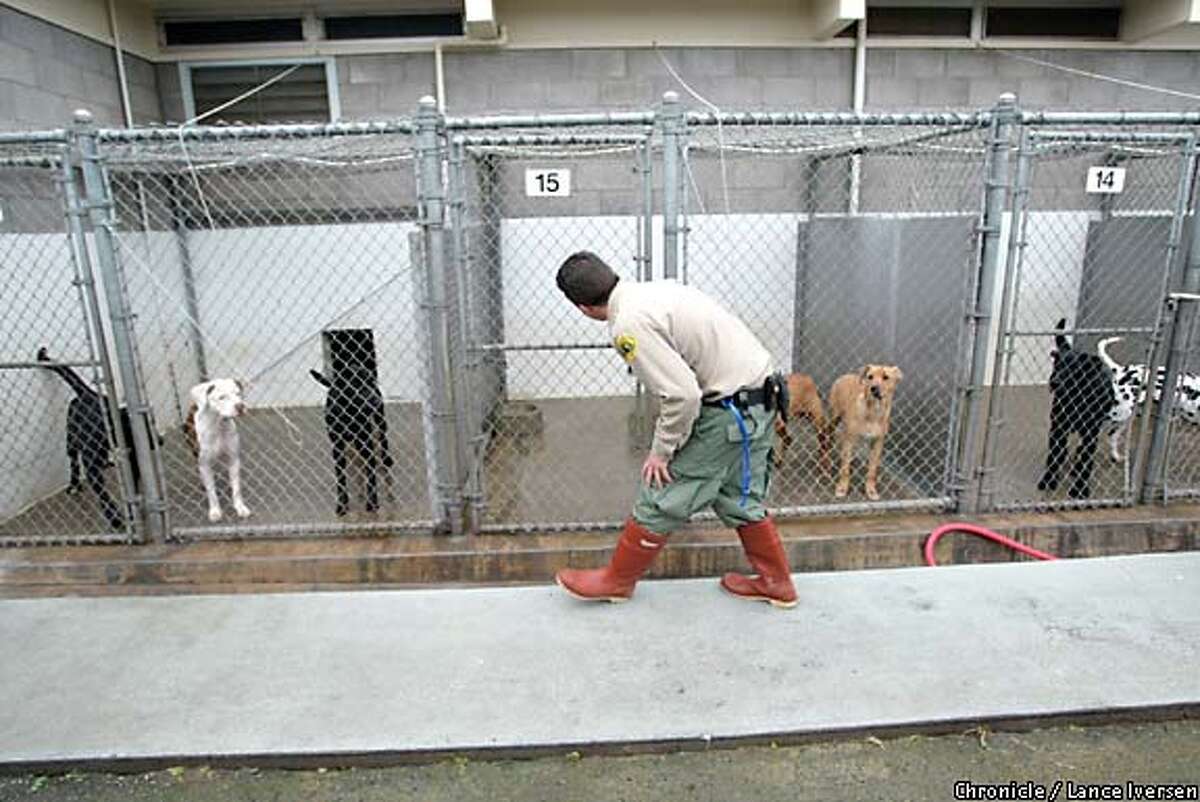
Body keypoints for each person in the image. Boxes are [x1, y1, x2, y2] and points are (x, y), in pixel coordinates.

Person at [553, 251, 798, 608]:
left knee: (662, 495)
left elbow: (682, 395)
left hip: (730, 412)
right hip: (761, 399)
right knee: (739, 497)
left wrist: (661, 452)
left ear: (583, 308)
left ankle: (617, 581)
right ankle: (778, 584)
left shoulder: (628, 323)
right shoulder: (655, 291)